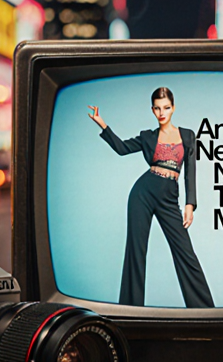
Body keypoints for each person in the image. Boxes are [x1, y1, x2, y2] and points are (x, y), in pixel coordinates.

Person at [88, 87, 214, 308]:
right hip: (143, 193)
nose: (162, 112)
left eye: (166, 107)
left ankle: (205, 312)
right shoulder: (148, 136)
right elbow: (122, 148)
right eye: (157, 108)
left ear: (173, 108)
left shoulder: (187, 135)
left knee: (186, 254)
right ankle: (130, 311)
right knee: (136, 253)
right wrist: (103, 124)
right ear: (153, 110)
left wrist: (190, 204)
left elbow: (190, 171)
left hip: (169, 197)